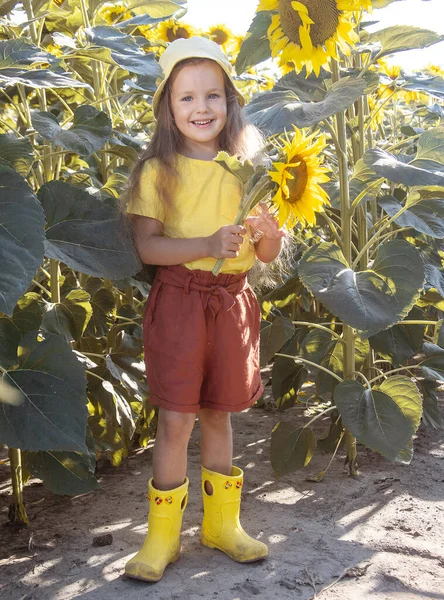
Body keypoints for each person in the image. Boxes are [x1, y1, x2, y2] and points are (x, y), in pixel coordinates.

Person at [124, 36, 285, 583]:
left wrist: (270, 237)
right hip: (180, 300)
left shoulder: (247, 169)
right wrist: (206, 244)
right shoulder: (158, 173)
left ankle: (221, 525)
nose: (201, 108)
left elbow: (264, 255)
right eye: (187, 98)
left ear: (230, 101)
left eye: (212, 96)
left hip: (232, 303)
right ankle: (161, 536)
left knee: (219, 412)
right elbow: (149, 248)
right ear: (169, 108)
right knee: (175, 419)